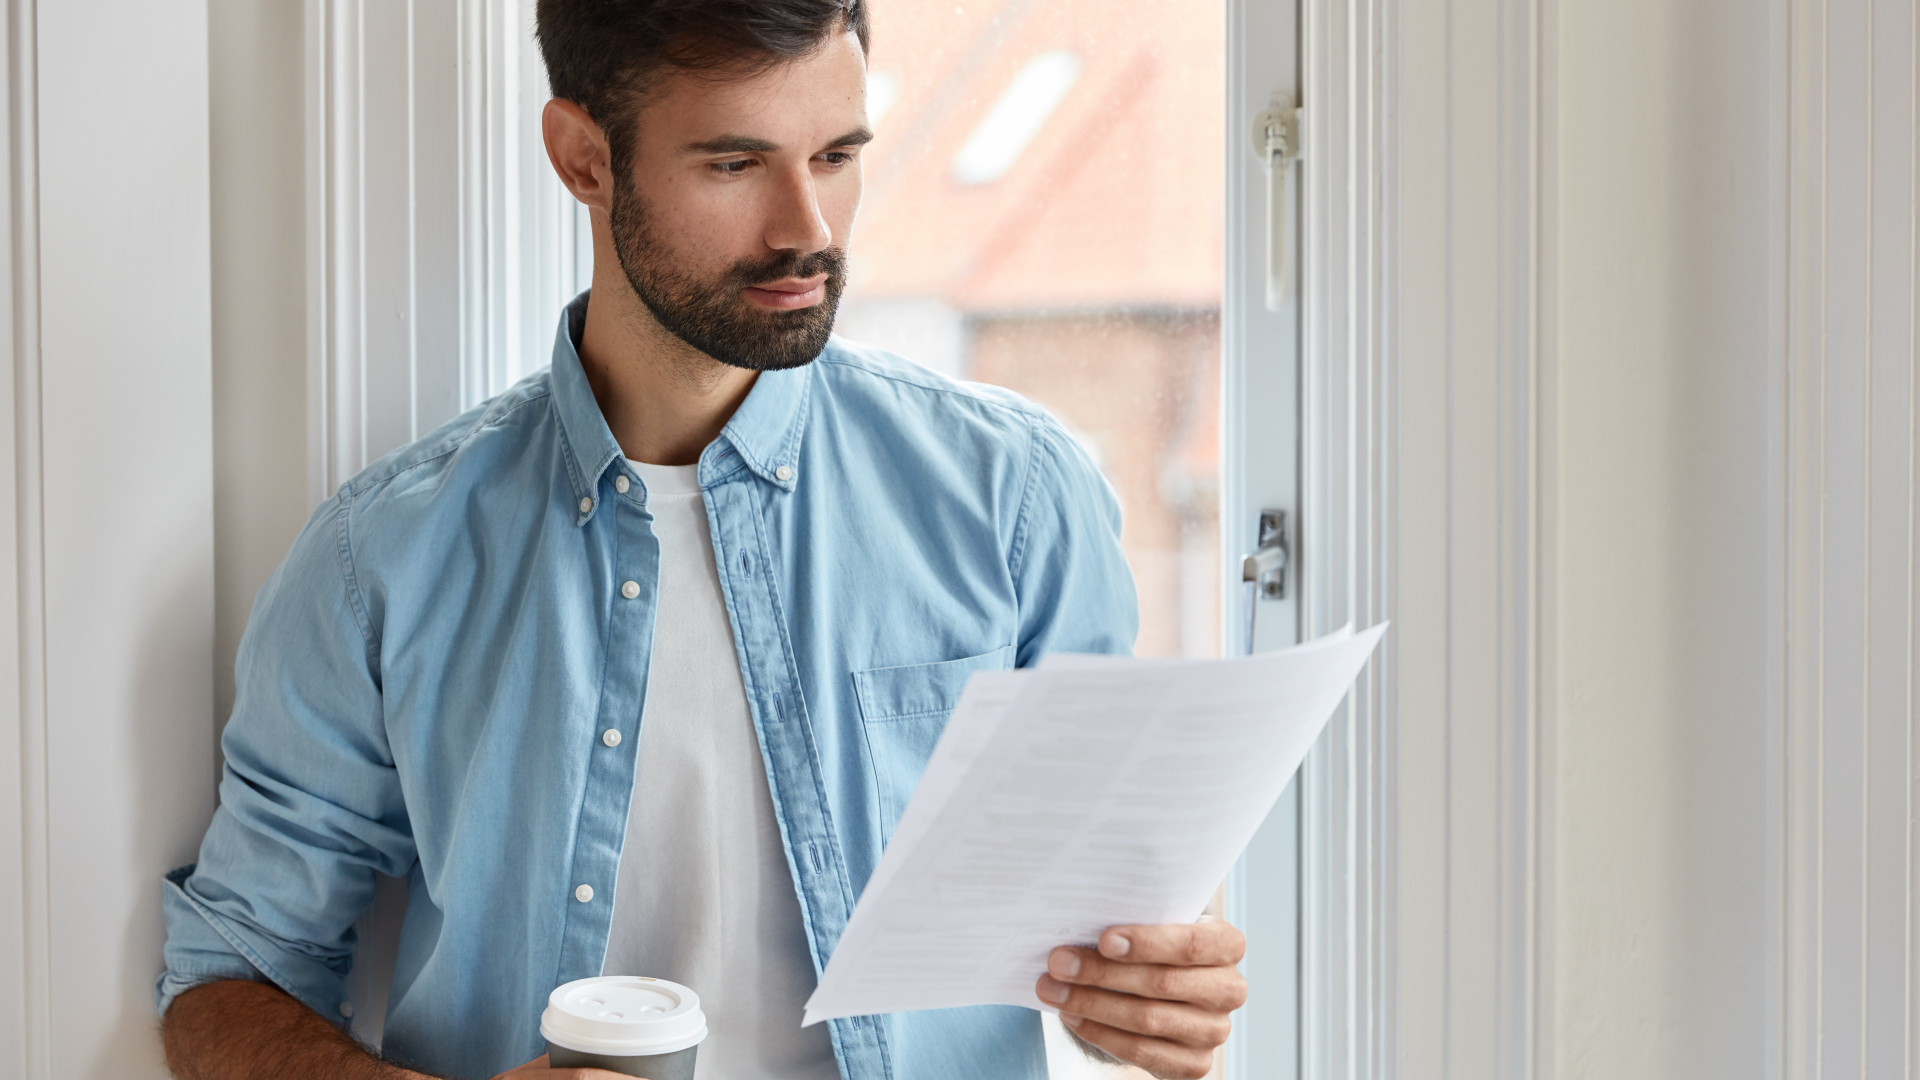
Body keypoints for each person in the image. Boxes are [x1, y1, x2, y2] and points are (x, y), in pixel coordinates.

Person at [156, 2, 1247, 1078]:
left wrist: (1146, 997)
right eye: (735, 165)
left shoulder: (1017, 496)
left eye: (837, 154)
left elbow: (1109, 922)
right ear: (583, 158)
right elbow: (226, 981)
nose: (807, 227)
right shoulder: (379, 560)